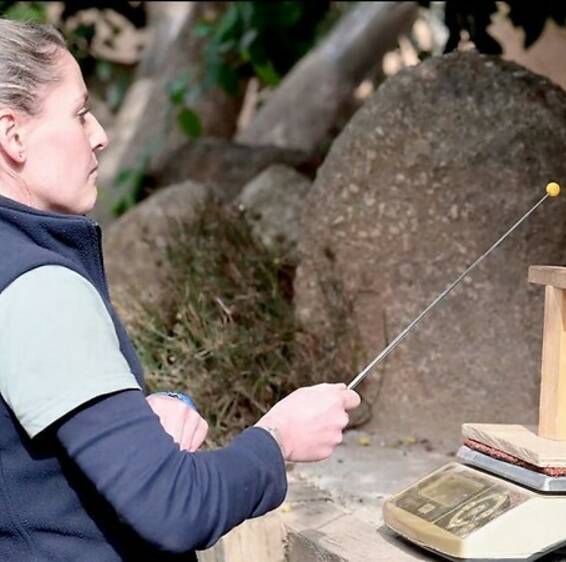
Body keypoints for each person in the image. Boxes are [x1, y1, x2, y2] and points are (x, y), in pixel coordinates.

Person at [0, 18, 360, 561]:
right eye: (78, 114)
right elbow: (174, 507)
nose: (100, 133)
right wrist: (278, 439)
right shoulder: (36, 288)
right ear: (14, 136)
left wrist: (133, 421)